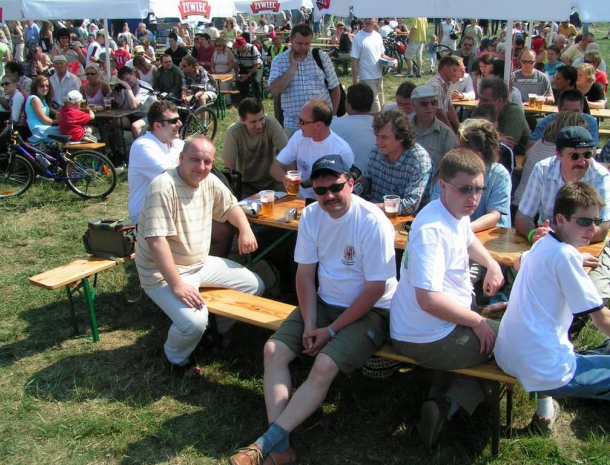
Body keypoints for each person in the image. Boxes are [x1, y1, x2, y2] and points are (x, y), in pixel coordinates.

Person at [229, 154, 397, 465]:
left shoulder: (374, 222)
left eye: (336, 187)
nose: (329, 196)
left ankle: (264, 445)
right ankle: (281, 451)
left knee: (322, 364)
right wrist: (309, 324)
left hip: (372, 310)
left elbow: (376, 289)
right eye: (320, 191)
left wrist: (330, 331)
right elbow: (305, 275)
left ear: (351, 183)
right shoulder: (310, 217)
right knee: (272, 351)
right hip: (323, 303)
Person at [390, 148, 504, 448]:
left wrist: (492, 264)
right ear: (442, 185)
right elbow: (428, 299)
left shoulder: (452, 211)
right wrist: (478, 320)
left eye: (480, 188)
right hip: (423, 334)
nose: (475, 197)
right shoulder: (432, 230)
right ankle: (448, 405)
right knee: (514, 345)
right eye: (466, 189)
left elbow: (468, 239)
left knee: (495, 338)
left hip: (429, 326)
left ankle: (437, 398)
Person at [135, 135, 264, 379]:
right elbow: (156, 241)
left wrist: (245, 230)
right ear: (181, 158)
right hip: (162, 273)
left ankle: (213, 331)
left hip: (199, 263)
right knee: (192, 322)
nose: (201, 167)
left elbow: (231, 207)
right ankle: (175, 357)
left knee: (254, 286)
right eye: (195, 160)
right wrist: (177, 285)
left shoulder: (209, 180)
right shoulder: (163, 187)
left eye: (207, 161)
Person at [496, 180, 610, 434]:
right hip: (544, 369)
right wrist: (574, 257)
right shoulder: (566, 256)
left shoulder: (542, 244)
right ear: (560, 218)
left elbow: (518, 263)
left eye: (596, 220)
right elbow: (602, 321)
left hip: (509, 355)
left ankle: (549, 410)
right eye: (583, 221)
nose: (592, 228)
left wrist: (576, 255)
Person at [515, 126, 610, 304]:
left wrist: (557, 242)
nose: (582, 161)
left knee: (596, 296)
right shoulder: (542, 169)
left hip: (587, 246)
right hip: (546, 244)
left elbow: (602, 228)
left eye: (587, 155)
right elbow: (522, 217)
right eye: (574, 156)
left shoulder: (601, 175)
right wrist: (532, 233)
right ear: (558, 154)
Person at [270, 98, 353, 199]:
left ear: (318, 124)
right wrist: (285, 179)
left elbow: (347, 190)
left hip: (327, 205)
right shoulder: (298, 137)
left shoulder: (342, 151)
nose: (298, 124)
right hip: (299, 202)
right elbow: (275, 168)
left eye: (302, 121)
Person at [268, 24, 340, 137]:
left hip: (321, 122)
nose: (304, 47)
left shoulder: (321, 57)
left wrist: (333, 116)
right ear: (291, 40)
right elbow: (274, 90)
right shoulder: (279, 61)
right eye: (300, 43)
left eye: (307, 43)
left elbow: (335, 87)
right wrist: (292, 67)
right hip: (293, 124)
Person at [513, 111, 588, 210]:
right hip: (534, 211)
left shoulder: (538, 143)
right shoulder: (563, 154)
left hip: (517, 205)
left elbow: (523, 163)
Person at [128, 101, 185, 224]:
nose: (180, 124)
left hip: (173, 206)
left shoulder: (178, 144)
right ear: (157, 126)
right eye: (174, 121)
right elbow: (172, 177)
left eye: (179, 119)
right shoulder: (143, 146)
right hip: (146, 213)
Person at [365, 109, 432, 212]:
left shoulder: (419, 160)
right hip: (376, 217)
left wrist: (371, 208)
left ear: (401, 137)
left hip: (408, 224)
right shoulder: (376, 151)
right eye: (377, 136)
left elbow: (410, 205)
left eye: (384, 137)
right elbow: (367, 183)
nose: (378, 142)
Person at [222, 97, 288, 197]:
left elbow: (288, 153)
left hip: (273, 182)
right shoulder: (234, 132)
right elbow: (229, 168)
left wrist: (288, 178)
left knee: (289, 198)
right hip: (246, 184)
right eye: (253, 122)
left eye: (261, 119)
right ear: (242, 119)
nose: (259, 125)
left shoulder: (271, 124)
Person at [410, 85, 457, 184]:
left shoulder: (446, 135)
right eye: (424, 103)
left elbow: (448, 170)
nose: (430, 107)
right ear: (413, 106)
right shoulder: (403, 129)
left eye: (433, 102)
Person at [528, 89, 598, 150]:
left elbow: (593, 149)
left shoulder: (589, 121)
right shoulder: (548, 120)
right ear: (559, 109)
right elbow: (530, 146)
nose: (571, 115)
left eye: (576, 111)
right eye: (567, 111)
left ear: (582, 109)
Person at [330, 83, 375, 173]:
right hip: (375, 177)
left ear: (349, 105)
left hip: (346, 177)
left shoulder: (334, 125)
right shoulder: (381, 126)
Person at [478, 76, 530, 155]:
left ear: (499, 101)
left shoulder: (514, 112)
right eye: (480, 99)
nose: (480, 104)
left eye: (485, 100)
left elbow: (506, 145)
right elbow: (470, 134)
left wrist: (485, 136)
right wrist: (497, 138)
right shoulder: (482, 110)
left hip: (515, 157)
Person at [350, 18, 393, 113]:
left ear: (375, 20)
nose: (367, 21)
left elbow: (382, 55)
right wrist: (355, 83)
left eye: (370, 18)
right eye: (365, 19)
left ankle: (379, 126)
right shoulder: (358, 37)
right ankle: (374, 126)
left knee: (382, 106)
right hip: (366, 78)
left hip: (379, 77)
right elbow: (354, 61)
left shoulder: (378, 36)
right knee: (375, 108)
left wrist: (393, 60)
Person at [426, 55, 461, 132]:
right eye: (454, 70)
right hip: (432, 126)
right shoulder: (435, 86)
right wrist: (451, 133)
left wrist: (459, 128)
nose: (455, 74)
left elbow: (450, 107)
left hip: (441, 124)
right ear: (445, 68)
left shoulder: (447, 83)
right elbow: (439, 114)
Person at [25, 75, 62, 144]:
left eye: (47, 86)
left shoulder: (43, 99)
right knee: (66, 131)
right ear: (35, 87)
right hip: (39, 131)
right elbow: (45, 120)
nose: (45, 88)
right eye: (41, 86)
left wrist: (60, 114)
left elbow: (51, 110)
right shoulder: (34, 99)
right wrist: (58, 121)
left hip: (45, 129)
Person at [232, 36, 263, 101]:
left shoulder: (253, 49)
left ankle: (258, 100)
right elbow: (235, 64)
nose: (237, 48)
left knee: (256, 81)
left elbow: (256, 65)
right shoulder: (236, 51)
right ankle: (244, 99)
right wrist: (237, 74)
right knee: (239, 81)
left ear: (244, 45)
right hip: (244, 68)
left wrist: (248, 75)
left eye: (238, 47)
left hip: (256, 68)